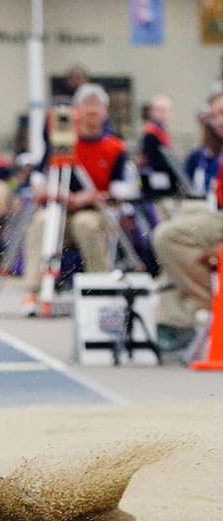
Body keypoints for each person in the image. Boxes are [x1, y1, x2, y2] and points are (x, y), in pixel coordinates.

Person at [22, 83, 135, 313]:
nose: (92, 110)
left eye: (97, 105)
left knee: (86, 225)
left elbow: (120, 189)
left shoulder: (115, 147)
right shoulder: (63, 142)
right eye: (86, 104)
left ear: (106, 111)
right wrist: (49, 191)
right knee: (41, 222)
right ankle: (35, 291)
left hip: (94, 211)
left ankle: (99, 289)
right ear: (76, 111)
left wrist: (88, 197)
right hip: (59, 209)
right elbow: (39, 177)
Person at [152, 89, 223, 353]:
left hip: (215, 219)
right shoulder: (204, 154)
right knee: (170, 227)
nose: (219, 121)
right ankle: (172, 319)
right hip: (210, 214)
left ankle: (203, 306)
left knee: (169, 237)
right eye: (215, 116)